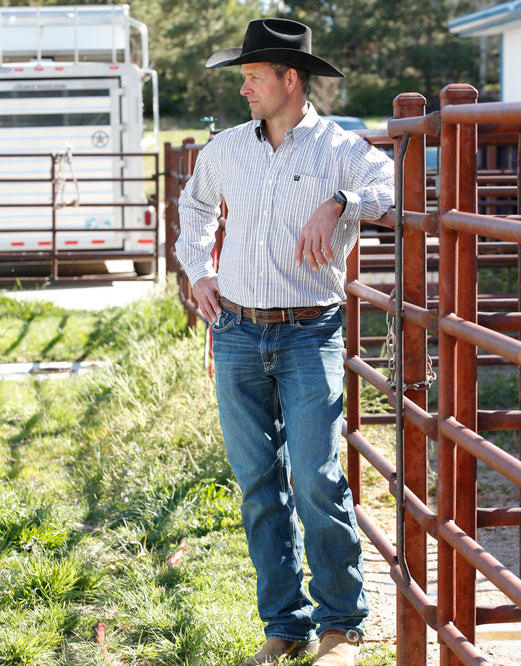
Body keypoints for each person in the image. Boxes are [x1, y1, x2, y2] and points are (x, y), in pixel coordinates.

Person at [175, 18, 394, 666]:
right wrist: (199, 270)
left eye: (250, 77)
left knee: (318, 480)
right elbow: (194, 210)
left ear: (287, 79)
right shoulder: (225, 150)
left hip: (309, 333)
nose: (243, 90)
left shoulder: (340, 148)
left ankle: (341, 628)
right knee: (256, 484)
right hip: (238, 332)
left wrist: (339, 201)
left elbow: (395, 188)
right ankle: (285, 626)